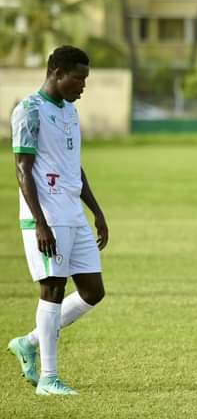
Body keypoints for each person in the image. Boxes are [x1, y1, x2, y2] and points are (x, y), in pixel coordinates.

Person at [7, 45, 109, 396]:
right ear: (57, 73)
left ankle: (30, 342)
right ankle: (49, 379)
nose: (82, 86)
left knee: (93, 291)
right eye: (78, 79)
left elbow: (73, 166)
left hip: (73, 213)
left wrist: (96, 210)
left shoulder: (69, 112)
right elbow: (22, 168)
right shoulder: (29, 111)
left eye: (85, 79)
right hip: (47, 215)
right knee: (52, 289)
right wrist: (39, 222)